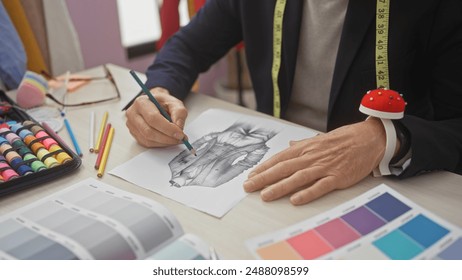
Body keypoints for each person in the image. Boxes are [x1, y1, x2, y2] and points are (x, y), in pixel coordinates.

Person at [125, 0, 462, 205]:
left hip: (385, 182)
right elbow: (186, 47)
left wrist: (389, 138)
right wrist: (158, 91)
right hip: (275, 173)